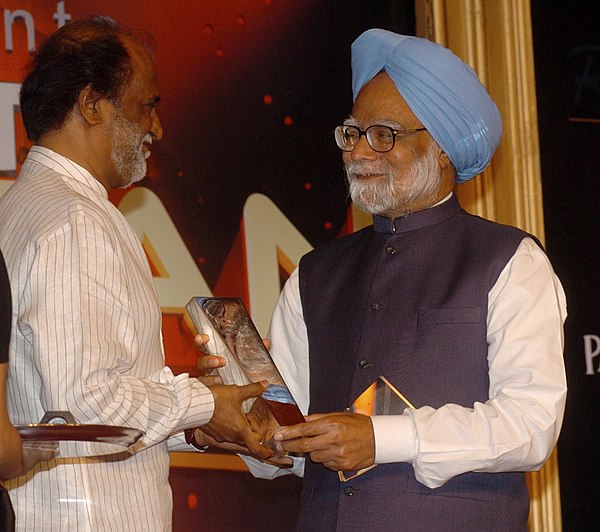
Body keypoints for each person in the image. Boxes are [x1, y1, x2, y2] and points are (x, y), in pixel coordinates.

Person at [225, 29, 567, 530]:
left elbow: (531, 425)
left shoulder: (510, 260)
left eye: (384, 135)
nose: (359, 153)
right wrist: (246, 426)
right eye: (352, 133)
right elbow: (290, 446)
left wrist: (381, 438)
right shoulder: (314, 274)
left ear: (445, 148)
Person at [0, 16, 273, 531]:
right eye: (148, 104)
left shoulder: (24, 208)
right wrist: (201, 402)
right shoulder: (73, 219)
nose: (158, 127)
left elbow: (67, 407)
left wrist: (194, 420)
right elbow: (88, 405)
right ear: (91, 103)